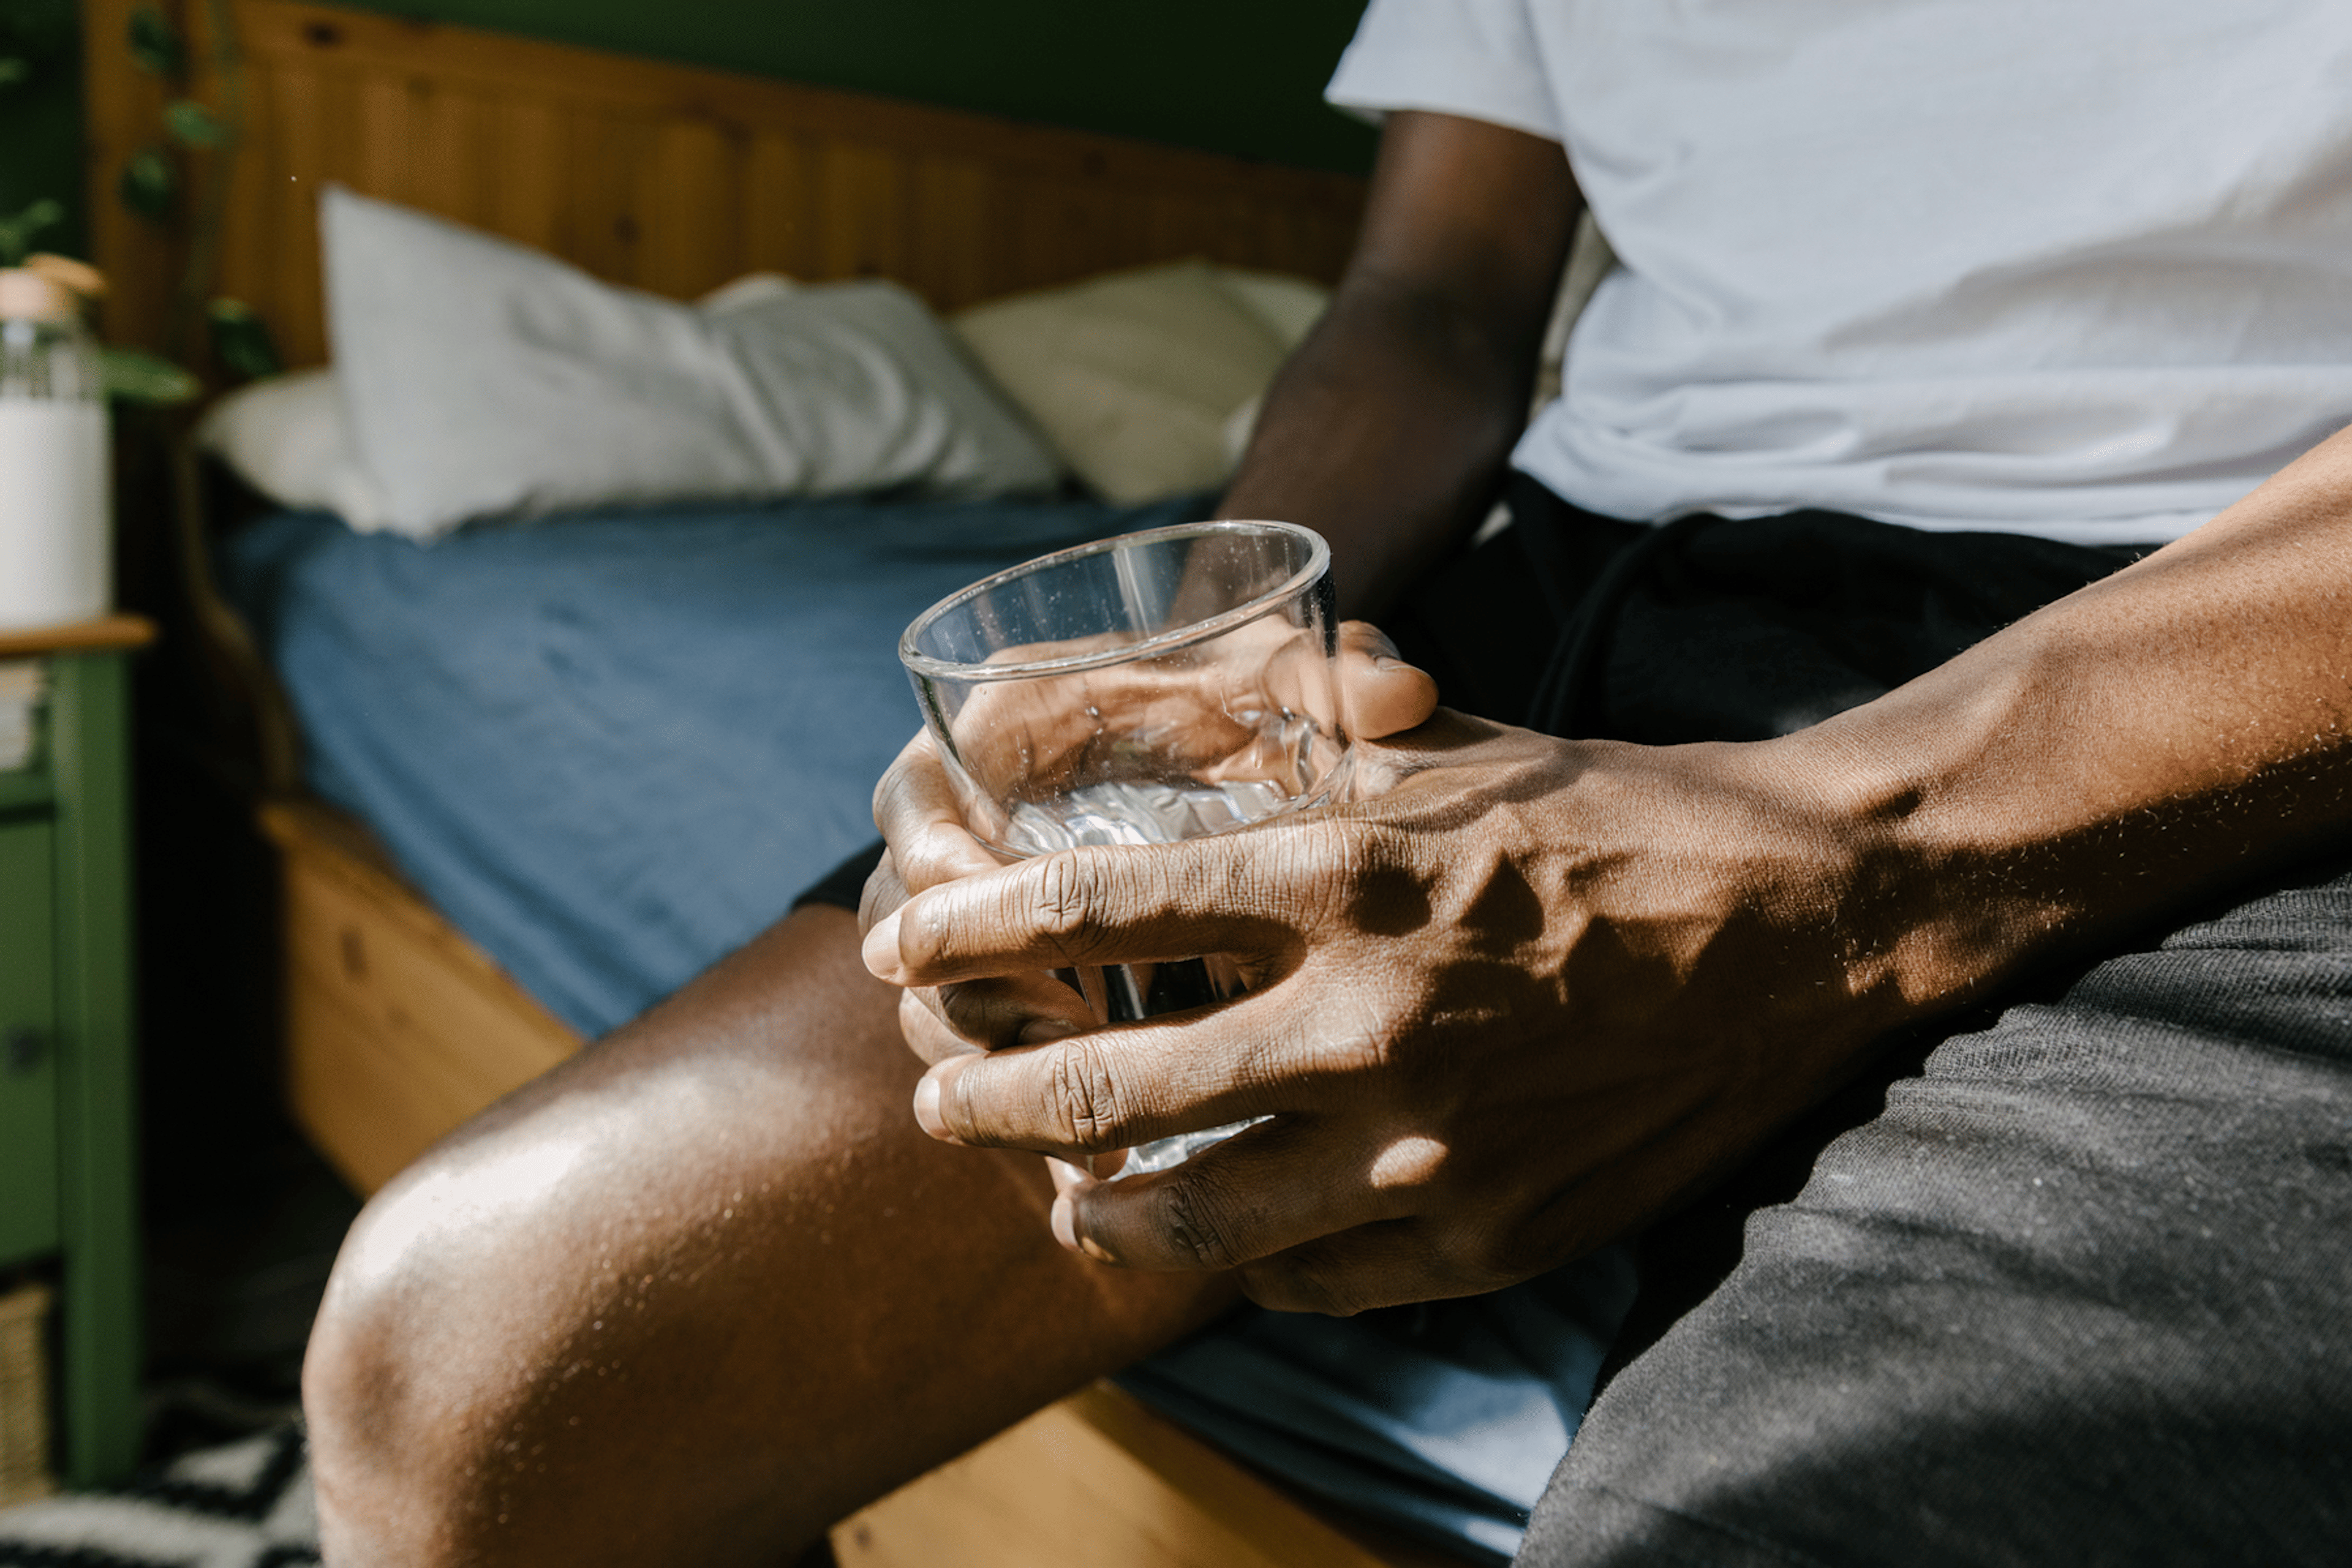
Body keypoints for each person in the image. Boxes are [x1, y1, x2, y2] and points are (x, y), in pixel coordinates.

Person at [302, 2, 2352, 1564]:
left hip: (2225, 657)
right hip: (1574, 590)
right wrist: (1159, 678)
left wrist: (1851, 845)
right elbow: (1433, 303)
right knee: (473, 1371)